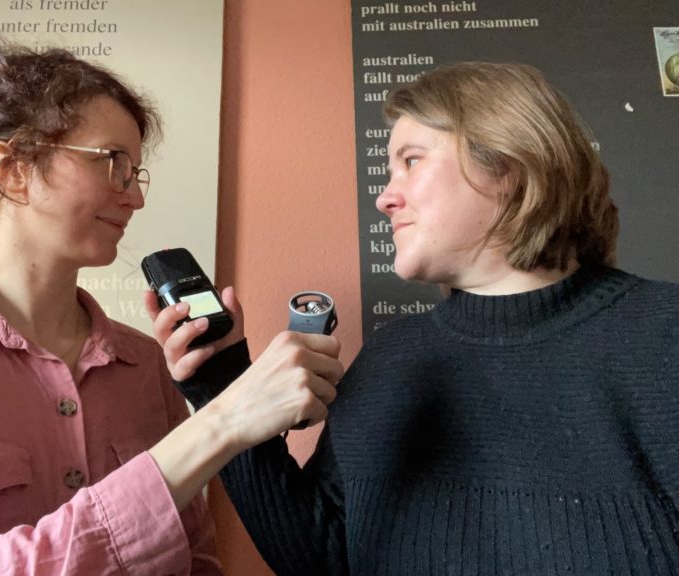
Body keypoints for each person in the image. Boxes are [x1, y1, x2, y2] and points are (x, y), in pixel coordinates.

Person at [156, 62, 679, 575]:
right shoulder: (390, 357)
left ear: (510, 165)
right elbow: (321, 555)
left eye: (411, 160)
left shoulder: (664, 335)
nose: (385, 198)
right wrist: (220, 381)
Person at [0, 30, 343, 575]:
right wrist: (221, 421)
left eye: (134, 171)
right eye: (110, 161)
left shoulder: (143, 364)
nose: (134, 196)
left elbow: (195, 560)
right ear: (11, 170)